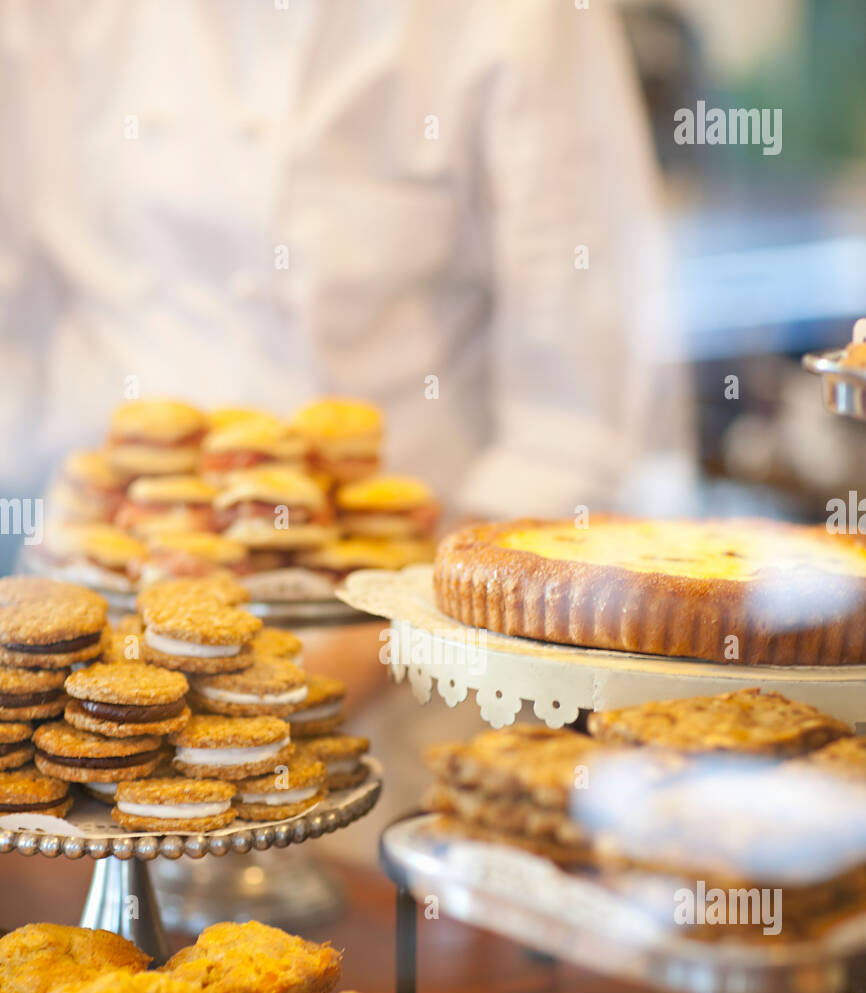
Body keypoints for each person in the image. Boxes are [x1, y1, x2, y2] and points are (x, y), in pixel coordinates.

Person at [0, 0, 693, 845]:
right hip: (92, 693)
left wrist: (326, 675)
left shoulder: (526, 19)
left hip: (409, 689)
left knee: (372, 954)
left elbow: (575, 416)